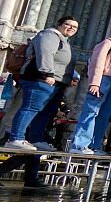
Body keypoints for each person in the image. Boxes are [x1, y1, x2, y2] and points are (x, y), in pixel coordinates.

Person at [5, 16, 79, 151]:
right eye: (68, 24)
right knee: (31, 108)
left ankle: (36, 139)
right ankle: (15, 138)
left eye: (75, 27)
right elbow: (45, 53)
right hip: (41, 79)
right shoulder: (50, 35)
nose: (71, 28)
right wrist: (47, 73)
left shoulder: (64, 40)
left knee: (46, 112)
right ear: (59, 24)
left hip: (57, 83)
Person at [70, 21, 111, 154]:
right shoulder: (108, 43)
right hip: (104, 79)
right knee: (91, 111)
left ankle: (95, 145)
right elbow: (97, 63)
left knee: (105, 115)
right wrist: (95, 82)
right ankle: (79, 145)